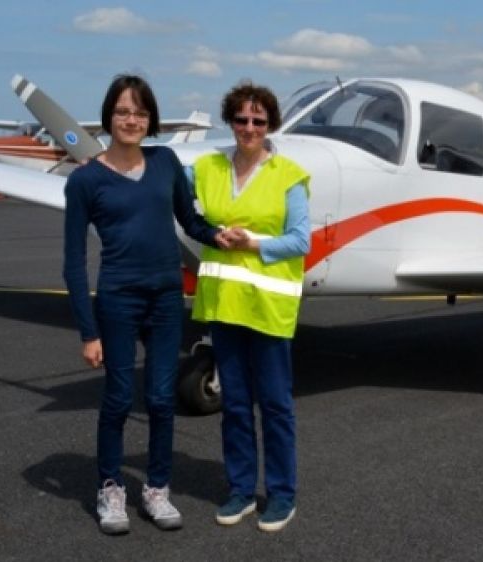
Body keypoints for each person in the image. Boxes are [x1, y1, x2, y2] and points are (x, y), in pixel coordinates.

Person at [62, 74, 227, 535]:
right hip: (118, 300)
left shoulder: (166, 162)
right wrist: (87, 330)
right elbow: (73, 262)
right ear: (108, 118)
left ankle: (157, 489)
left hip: (166, 299)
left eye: (139, 112)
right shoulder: (85, 181)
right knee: (117, 398)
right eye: (122, 111)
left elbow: (190, 221)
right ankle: (110, 488)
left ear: (150, 119)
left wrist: (219, 236)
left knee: (159, 399)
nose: (130, 119)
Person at [189, 80, 311, 532]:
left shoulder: (289, 175)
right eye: (241, 119)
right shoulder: (206, 167)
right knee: (236, 405)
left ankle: (281, 495)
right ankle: (240, 489)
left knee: (276, 406)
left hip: (269, 307)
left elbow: (301, 240)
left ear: (270, 124)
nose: (249, 127)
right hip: (224, 305)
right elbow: (177, 198)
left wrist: (253, 241)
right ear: (230, 121)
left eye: (258, 120)